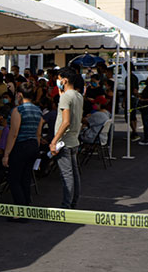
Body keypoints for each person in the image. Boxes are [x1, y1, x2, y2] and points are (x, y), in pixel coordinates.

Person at [2, 85, 44, 210]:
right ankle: (26, 207)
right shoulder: (38, 110)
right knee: (26, 178)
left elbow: (13, 133)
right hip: (33, 145)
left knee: (14, 179)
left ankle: (19, 209)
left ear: (19, 95)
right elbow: (38, 133)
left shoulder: (18, 110)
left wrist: (6, 154)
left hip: (21, 146)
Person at [50, 67, 83, 209]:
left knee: (67, 176)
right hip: (74, 140)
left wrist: (54, 141)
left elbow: (65, 121)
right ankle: (73, 202)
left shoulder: (66, 97)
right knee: (74, 174)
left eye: (59, 79)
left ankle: (66, 206)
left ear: (65, 80)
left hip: (64, 141)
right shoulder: (77, 95)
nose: (57, 81)